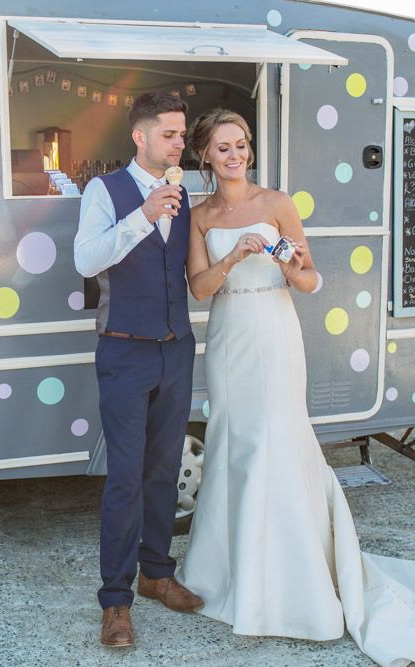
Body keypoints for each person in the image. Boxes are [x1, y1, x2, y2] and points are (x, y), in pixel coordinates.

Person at [178, 108, 415, 667]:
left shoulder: (278, 203)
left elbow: (311, 281)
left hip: (277, 331)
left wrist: (290, 266)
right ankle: (233, 572)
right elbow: (198, 289)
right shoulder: (200, 215)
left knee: (281, 438)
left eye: (243, 145)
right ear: (205, 156)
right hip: (231, 334)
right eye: (224, 147)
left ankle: (295, 577)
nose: (237, 155)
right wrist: (234, 256)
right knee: (235, 438)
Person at [74, 92, 202, 648]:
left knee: (163, 469)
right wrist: (143, 216)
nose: (180, 143)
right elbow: (86, 260)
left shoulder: (187, 193)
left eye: (182, 134)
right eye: (170, 134)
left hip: (176, 348)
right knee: (124, 478)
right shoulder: (105, 191)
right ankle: (116, 602)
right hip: (124, 349)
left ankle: (156, 573)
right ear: (140, 137)